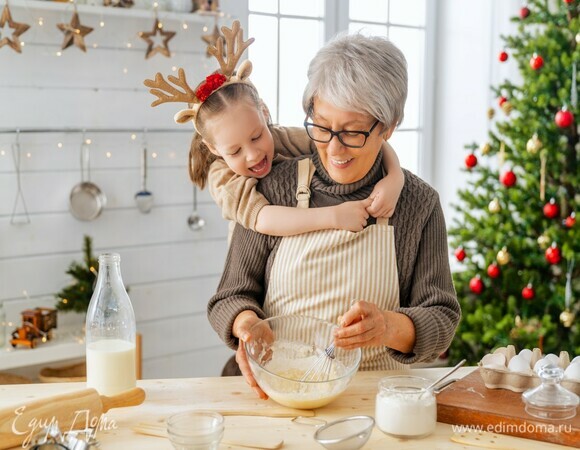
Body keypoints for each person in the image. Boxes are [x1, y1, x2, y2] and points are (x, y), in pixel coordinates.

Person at [206, 31, 461, 399]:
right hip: (274, 388)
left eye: (353, 132)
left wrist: (389, 327)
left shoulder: (417, 204)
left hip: (373, 396)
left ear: (388, 126)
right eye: (322, 127)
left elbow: (441, 316)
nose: (334, 148)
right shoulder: (273, 188)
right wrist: (247, 325)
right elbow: (229, 297)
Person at [144, 20, 404, 239]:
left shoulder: (281, 137)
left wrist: (394, 178)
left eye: (256, 136)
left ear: (265, 115)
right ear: (213, 148)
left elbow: (361, 139)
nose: (252, 154)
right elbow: (263, 220)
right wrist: (334, 216)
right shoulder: (222, 178)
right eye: (234, 151)